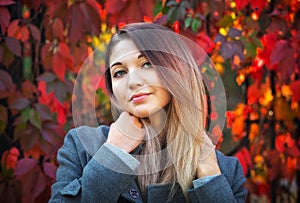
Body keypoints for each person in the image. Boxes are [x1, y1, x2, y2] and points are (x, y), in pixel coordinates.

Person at [49, 22, 247, 203]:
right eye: (119, 73)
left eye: (146, 64)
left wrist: (210, 179)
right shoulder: (81, 147)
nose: (133, 81)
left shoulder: (226, 170)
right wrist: (112, 156)